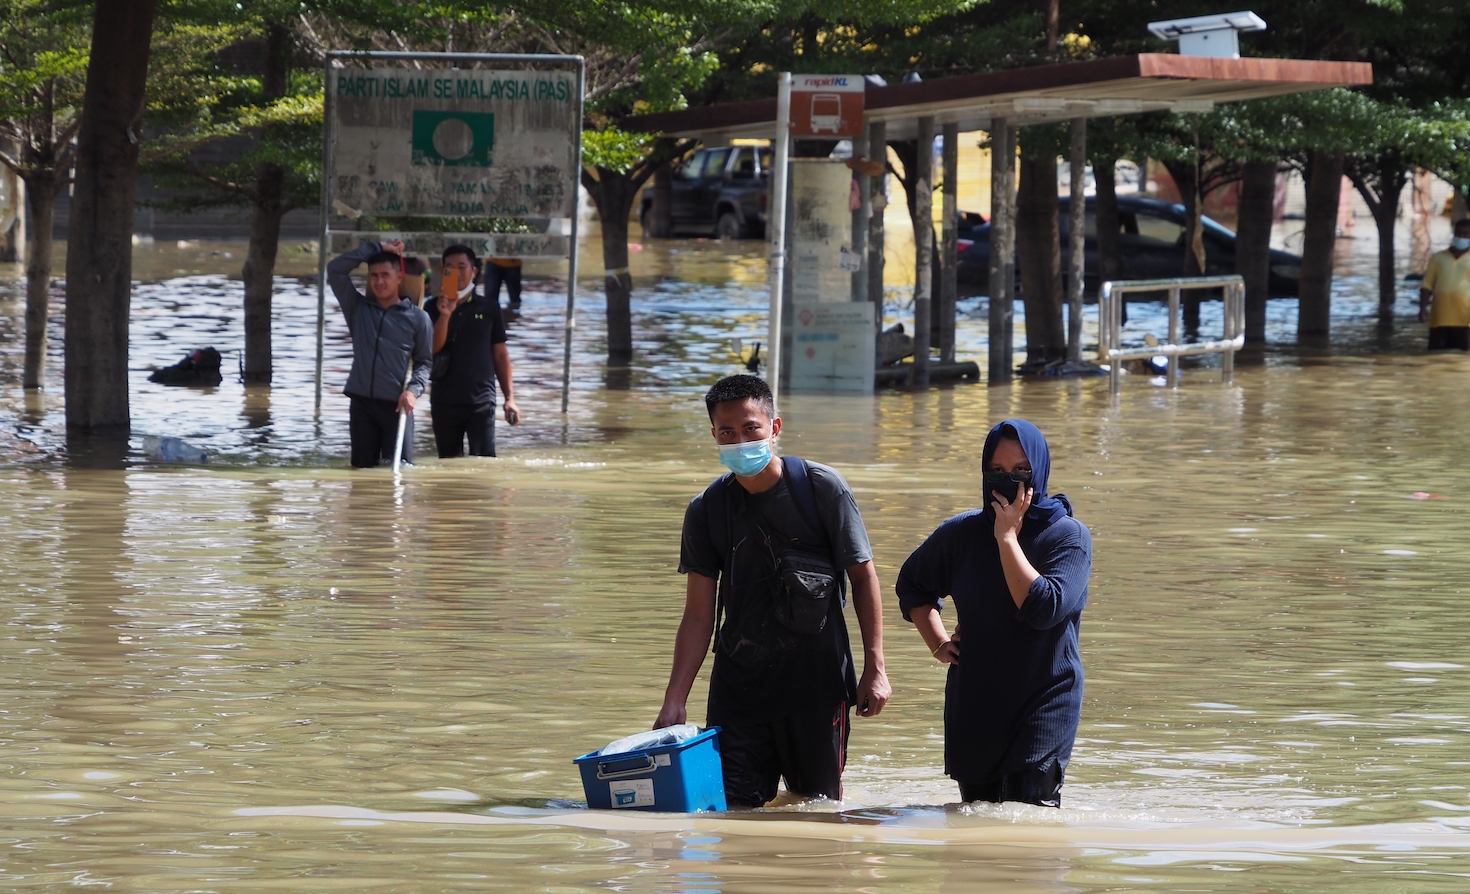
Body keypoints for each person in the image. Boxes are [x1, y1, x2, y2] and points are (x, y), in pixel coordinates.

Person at [654, 374, 891, 808]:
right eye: (727, 432)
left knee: (816, 811)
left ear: (774, 428)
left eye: (750, 428)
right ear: (714, 436)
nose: (739, 439)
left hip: (816, 686)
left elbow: (863, 578)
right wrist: (675, 701)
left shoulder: (822, 489)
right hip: (739, 688)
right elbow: (698, 615)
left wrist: (875, 667)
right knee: (732, 815)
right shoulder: (707, 510)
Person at [895, 419, 1091, 807]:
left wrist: (1006, 537)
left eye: (1021, 471)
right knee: (976, 822)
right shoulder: (962, 534)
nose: (1008, 481)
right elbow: (913, 585)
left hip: (1044, 697)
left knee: (1028, 821)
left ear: (1039, 471)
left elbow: (1042, 607)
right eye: (996, 472)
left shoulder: (1068, 537)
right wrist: (937, 642)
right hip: (976, 699)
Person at [326, 240, 433, 468]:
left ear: (399, 278)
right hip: (361, 405)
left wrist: (413, 392)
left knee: (401, 473)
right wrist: (375, 248)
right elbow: (335, 269)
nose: (379, 281)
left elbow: (424, 363)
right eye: (373, 275)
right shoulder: (357, 308)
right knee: (362, 475)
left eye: (385, 274)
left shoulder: (418, 318)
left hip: (396, 406)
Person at [425, 245, 521, 457]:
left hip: (481, 401)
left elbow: (501, 355)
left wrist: (510, 398)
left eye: (462, 267)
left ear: (474, 272)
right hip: (444, 400)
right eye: (450, 268)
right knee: (448, 464)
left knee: (484, 462)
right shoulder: (431, 307)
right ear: (443, 273)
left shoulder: (489, 307)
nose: (457, 273)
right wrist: (445, 315)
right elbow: (431, 348)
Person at [1418, 218, 1470, 351]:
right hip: (1439, 318)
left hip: (1465, 320)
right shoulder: (1437, 258)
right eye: (1458, 233)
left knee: (1462, 358)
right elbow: (1427, 285)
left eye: (1466, 234)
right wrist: (1423, 308)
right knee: (1436, 355)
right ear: (1453, 234)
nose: (1462, 237)